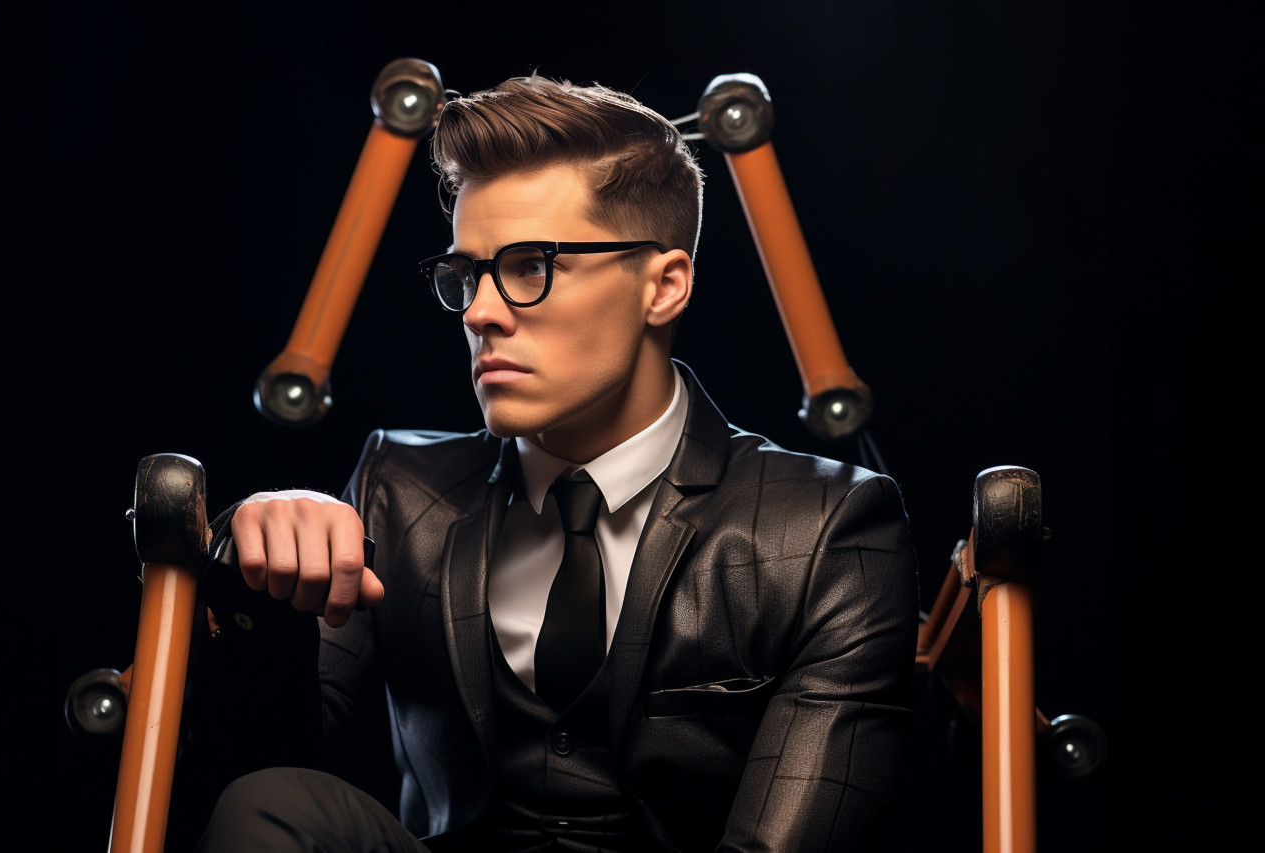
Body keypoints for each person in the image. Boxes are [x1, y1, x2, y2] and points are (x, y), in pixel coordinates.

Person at [191, 74, 921, 852]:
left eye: (530, 265)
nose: (478, 311)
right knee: (270, 803)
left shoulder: (828, 528)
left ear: (664, 285)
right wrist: (254, 570)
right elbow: (243, 767)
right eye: (468, 273)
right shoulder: (397, 489)